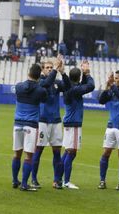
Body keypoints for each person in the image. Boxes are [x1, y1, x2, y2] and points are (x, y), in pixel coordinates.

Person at [31, 56, 70, 189]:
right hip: (42, 120)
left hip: (56, 121)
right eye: (47, 68)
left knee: (57, 151)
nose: (49, 69)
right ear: (42, 70)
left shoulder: (57, 82)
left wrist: (63, 72)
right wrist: (55, 70)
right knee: (39, 150)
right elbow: (47, 83)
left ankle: (57, 180)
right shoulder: (40, 81)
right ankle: (34, 179)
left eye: (51, 67)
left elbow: (68, 87)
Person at [11, 64, 47, 191]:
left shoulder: (19, 86)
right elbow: (44, 99)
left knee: (17, 154)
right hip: (31, 125)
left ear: (29, 73)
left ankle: (15, 180)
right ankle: (25, 184)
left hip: (18, 123)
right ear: (39, 76)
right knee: (29, 156)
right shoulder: (40, 90)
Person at [60, 60, 95, 189]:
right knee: (72, 152)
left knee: (68, 151)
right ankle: (66, 181)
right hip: (73, 123)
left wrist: (84, 74)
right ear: (78, 77)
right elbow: (90, 86)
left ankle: (59, 178)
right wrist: (87, 72)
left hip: (70, 122)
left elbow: (85, 85)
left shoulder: (72, 88)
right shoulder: (74, 90)